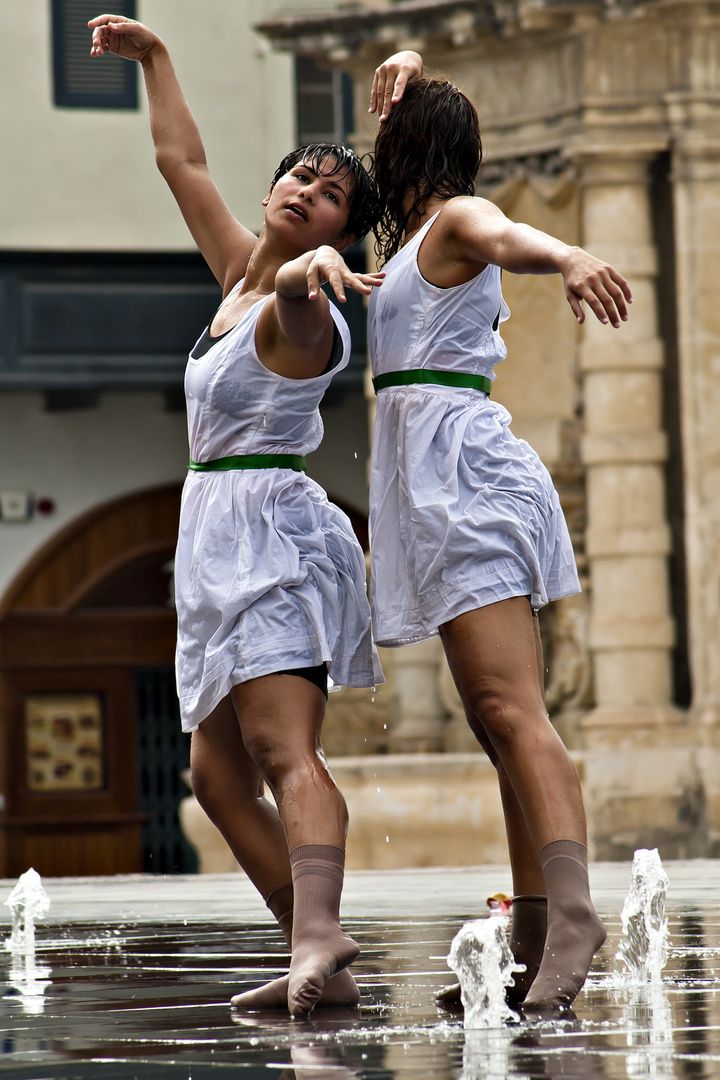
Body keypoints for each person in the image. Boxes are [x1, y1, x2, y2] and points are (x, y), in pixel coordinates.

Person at [89, 14, 385, 1017]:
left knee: (280, 749)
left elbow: (303, 296)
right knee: (215, 777)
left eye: (332, 194)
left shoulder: (301, 304)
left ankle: (320, 931)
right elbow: (181, 159)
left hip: (272, 538)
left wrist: (313, 277)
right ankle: (319, 961)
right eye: (301, 176)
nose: (309, 190)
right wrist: (156, 58)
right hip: (209, 538)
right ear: (272, 191)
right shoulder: (235, 274)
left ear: (343, 234)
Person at [367, 54, 633, 1015]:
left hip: (463, 480)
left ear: (412, 151)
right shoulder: (402, 250)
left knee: (512, 709)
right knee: (489, 714)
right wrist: (406, 64)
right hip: (427, 483)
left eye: (386, 140)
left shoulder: (455, 222)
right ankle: (530, 934)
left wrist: (567, 256)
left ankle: (572, 917)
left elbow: (504, 229)